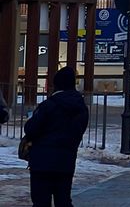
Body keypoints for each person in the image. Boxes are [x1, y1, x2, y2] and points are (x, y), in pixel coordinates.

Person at [23, 65, 89, 207]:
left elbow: (31, 129)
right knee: (63, 200)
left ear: (56, 84)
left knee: (41, 201)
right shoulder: (81, 108)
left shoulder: (48, 105)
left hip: (42, 162)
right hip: (66, 160)